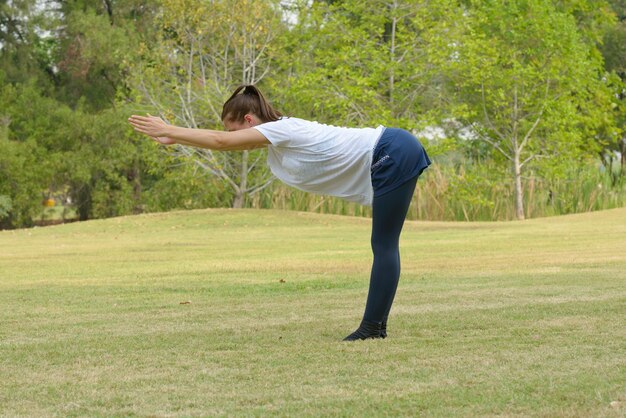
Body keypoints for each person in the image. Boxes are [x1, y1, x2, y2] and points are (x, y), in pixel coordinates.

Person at [128, 85, 431, 341]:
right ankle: (375, 326)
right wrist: (175, 138)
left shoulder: (281, 129)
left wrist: (170, 129)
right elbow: (224, 141)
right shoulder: (280, 141)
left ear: (248, 120)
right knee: (384, 244)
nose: (232, 138)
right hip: (392, 151)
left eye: (233, 129)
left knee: (384, 244)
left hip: (391, 151)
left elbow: (221, 143)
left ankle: (372, 328)